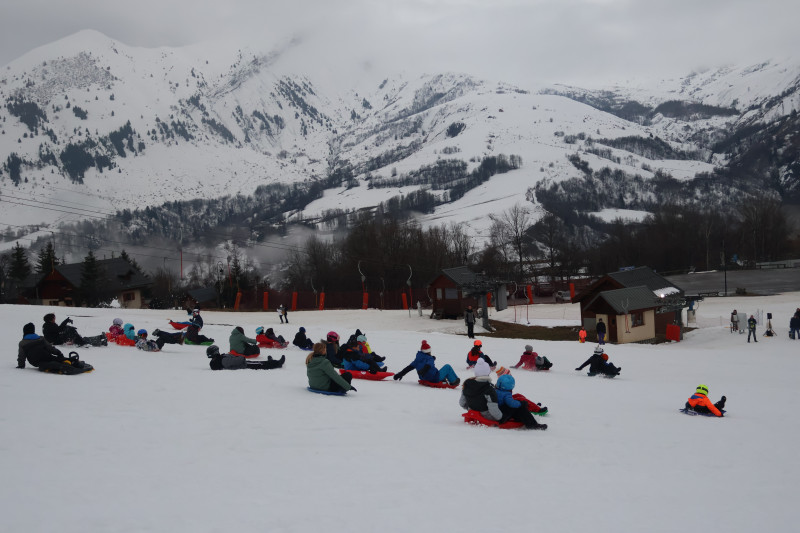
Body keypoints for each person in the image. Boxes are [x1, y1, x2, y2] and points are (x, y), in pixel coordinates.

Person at [393, 340, 460, 386]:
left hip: (423, 378)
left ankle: (443, 380)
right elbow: (428, 365)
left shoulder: (417, 359)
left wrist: (399, 375)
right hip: (433, 378)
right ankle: (454, 381)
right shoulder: (429, 359)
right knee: (447, 367)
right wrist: (424, 370)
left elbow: (408, 368)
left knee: (437, 371)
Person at [207, 345, 284, 370]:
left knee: (260, 363)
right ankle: (277, 363)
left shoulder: (220, 359)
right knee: (261, 364)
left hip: (243, 363)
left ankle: (271, 362)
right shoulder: (223, 360)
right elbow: (235, 361)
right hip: (244, 365)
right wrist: (241, 357)